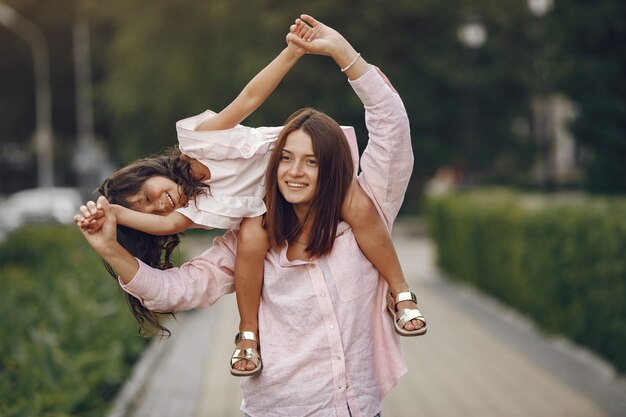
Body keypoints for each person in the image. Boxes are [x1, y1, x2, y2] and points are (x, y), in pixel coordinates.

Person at [76, 14, 423, 416]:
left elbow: (390, 128)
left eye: (310, 162)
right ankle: (248, 336)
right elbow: (174, 289)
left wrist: (341, 52)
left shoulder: (365, 208)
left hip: (356, 407)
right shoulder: (243, 240)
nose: (295, 172)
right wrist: (110, 240)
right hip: (276, 409)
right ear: (275, 165)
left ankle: (402, 294)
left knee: (355, 201)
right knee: (254, 232)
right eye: (288, 160)